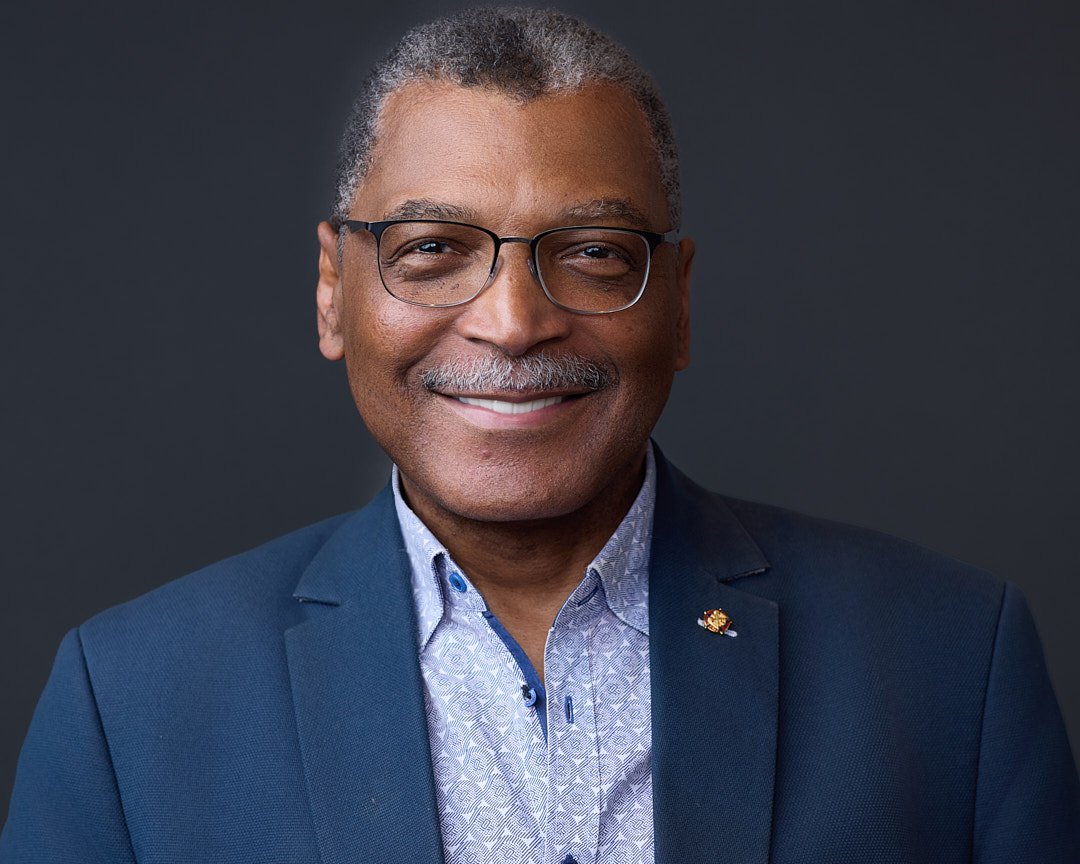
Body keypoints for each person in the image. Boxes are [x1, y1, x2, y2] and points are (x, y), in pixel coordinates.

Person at [2, 6, 1076, 863]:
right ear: (334, 290)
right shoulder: (131, 704)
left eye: (596, 253)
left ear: (680, 302)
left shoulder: (949, 667)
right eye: (431, 249)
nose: (513, 322)